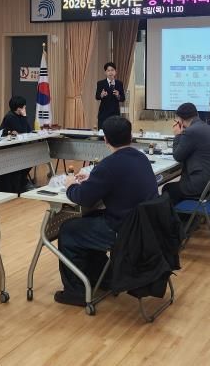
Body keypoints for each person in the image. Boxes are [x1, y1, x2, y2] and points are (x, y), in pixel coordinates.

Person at [55, 116, 158, 306]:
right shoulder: (141, 157)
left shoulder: (110, 164)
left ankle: (76, 292)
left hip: (125, 230)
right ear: (131, 136)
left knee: (69, 229)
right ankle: (105, 278)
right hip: (145, 227)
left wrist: (71, 185)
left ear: (105, 139)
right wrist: (92, 181)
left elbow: (84, 198)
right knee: (90, 218)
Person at [162, 103, 210, 205]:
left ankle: (180, 218)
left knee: (168, 188)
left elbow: (177, 156)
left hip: (202, 183)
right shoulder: (204, 126)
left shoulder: (191, 131)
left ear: (181, 120)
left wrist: (178, 135)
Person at [0, 96, 33, 193]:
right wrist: (24, 116)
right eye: (24, 107)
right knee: (26, 160)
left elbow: (28, 130)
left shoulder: (18, 116)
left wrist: (24, 117)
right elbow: (23, 131)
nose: (25, 108)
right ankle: (21, 183)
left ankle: (22, 182)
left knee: (31, 159)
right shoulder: (10, 117)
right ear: (19, 108)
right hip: (8, 148)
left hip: (17, 147)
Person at [95, 62, 125, 128]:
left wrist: (118, 95)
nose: (110, 72)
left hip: (115, 113)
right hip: (103, 113)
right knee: (102, 133)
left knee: (114, 133)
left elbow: (123, 98)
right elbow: (97, 97)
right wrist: (102, 95)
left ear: (115, 72)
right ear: (105, 72)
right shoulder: (100, 83)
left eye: (112, 70)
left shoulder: (119, 83)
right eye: (108, 70)